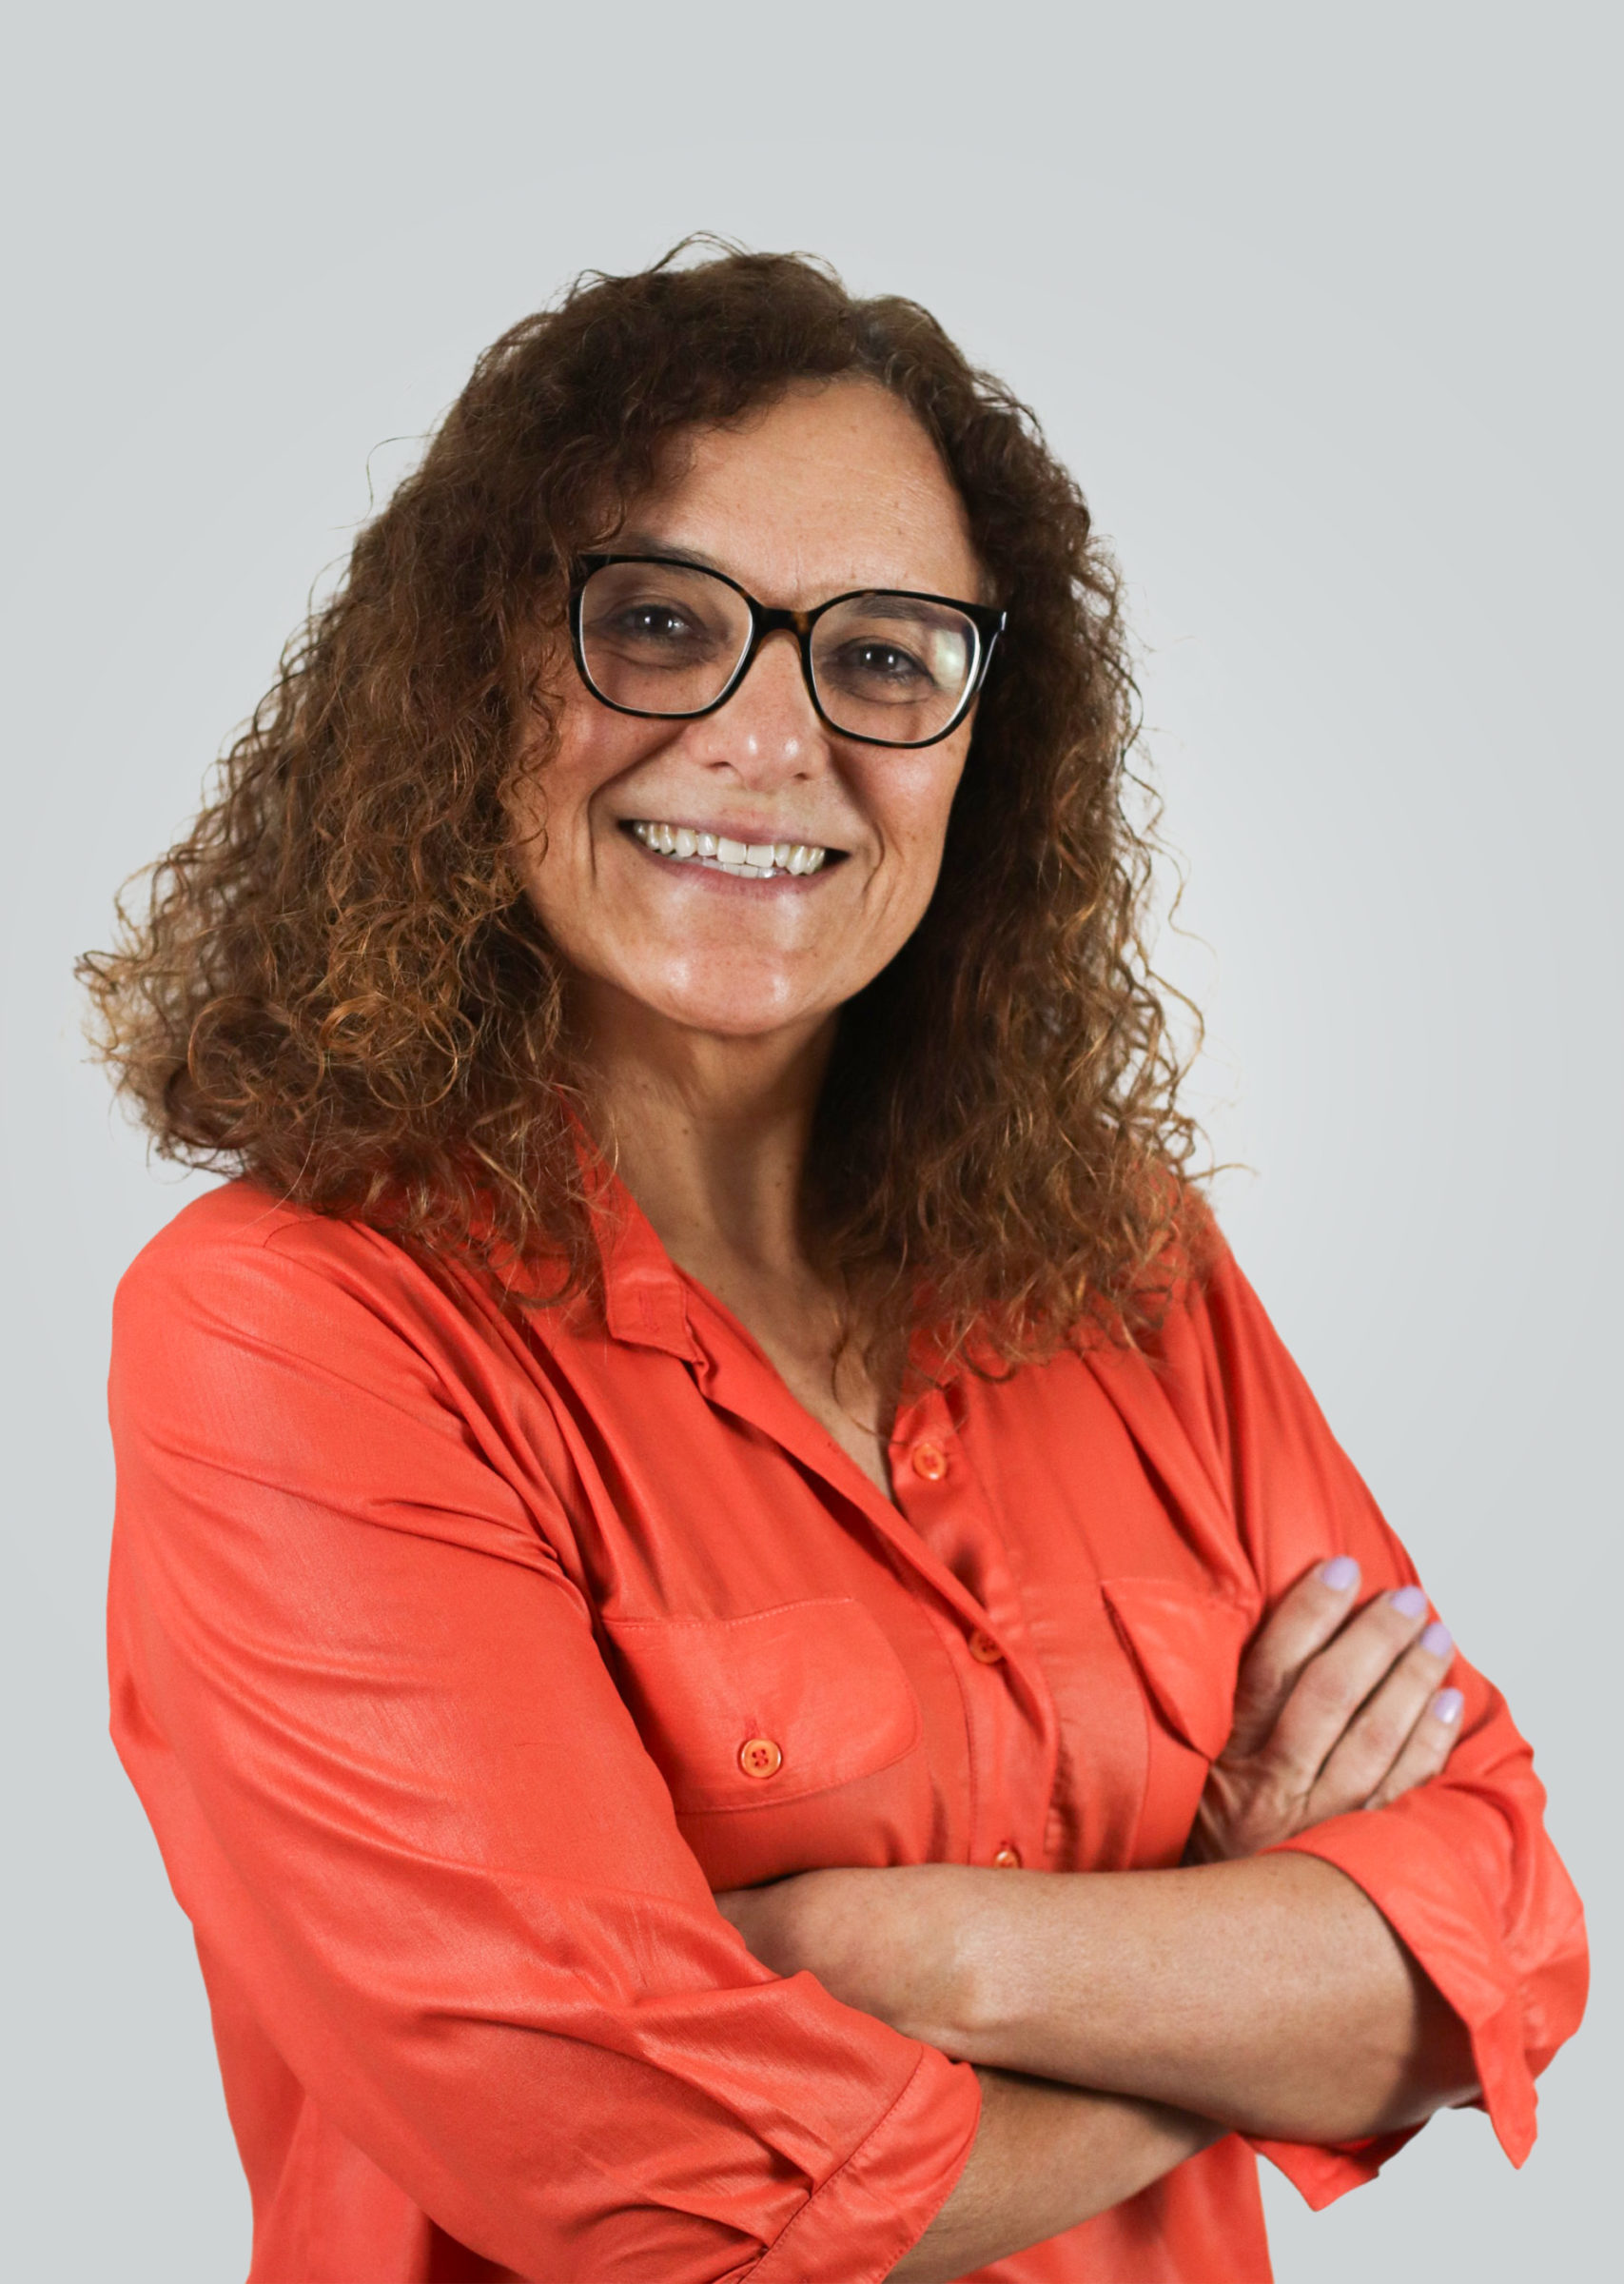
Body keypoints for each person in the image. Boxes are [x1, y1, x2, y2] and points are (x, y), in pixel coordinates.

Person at [83, 246, 1586, 2284]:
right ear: (468, 685)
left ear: (986, 744)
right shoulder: (294, 1332)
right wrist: (1237, 1994)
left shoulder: (1123, 1265)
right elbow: (649, 2182)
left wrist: (919, 1950)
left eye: (882, 656)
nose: (771, 739)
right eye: (658, 624)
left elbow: (1501, 1928)